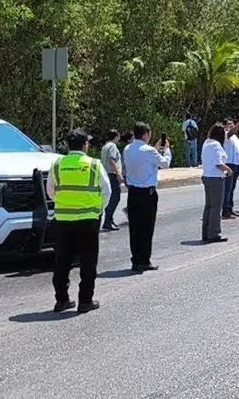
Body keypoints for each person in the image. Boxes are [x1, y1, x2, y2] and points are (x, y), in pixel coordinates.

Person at [46, 129, 111, 314]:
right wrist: (98, 210)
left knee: (62, 262)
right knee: (88, 262)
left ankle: (62, 300)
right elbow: (107, 192)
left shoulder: (57, 164)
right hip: (88, 220)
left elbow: (50, 190)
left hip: (63, 220)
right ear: (85, 145)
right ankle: (85, 301)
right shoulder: (94, 165)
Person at [123, 122, 171, 272]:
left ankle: (136, 259)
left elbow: (143, 157)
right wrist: (167, 150)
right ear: (145, 134)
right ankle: (144, 259)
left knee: (135, 228)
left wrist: (155, 148)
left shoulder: (127, 149)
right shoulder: (150, 151)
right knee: (146, 228)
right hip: (147, 193)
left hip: (133, 193)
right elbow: (164, 164)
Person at [200, 123, 231, 243]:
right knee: (216, 207)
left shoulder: (207, 143)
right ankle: (214, 233)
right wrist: (228, 170)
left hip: (206, 176)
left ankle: (205, 232)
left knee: (208, 206)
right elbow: (218, 163)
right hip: (215, 178)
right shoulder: (217, 145)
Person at [222, 111, 239, 219]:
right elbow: (232, 132)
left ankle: (230, 208)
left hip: (236, 164)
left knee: (232, 188)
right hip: (229, 165)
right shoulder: (225, 134)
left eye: (232, 123)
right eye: (229, 124)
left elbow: (238, 151)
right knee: (227, 188)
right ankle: (225, 210)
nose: (231, 125)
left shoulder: (235, 137)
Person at [100, 130, 123, 231]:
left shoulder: (105, 146)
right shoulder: (112, 146)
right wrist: (119, 174)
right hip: (112, 175)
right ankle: (108, 220)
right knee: (115, 198)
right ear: (116, 136)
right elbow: (112, 160)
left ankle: (109, 220)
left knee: (110, 198)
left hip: (106, 174)